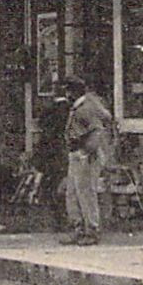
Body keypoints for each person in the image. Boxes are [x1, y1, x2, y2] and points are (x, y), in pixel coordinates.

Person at [61, 76, 113, 245]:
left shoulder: (86, 109)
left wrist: (86, 151)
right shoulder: (79, 107)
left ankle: (91, 230)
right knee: (73, 193)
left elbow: (97, 131)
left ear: (75, 91)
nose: (66, 93)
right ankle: (78, 228)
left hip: (85, 154)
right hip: (76, 153)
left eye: (68, 90)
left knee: (85, 192)